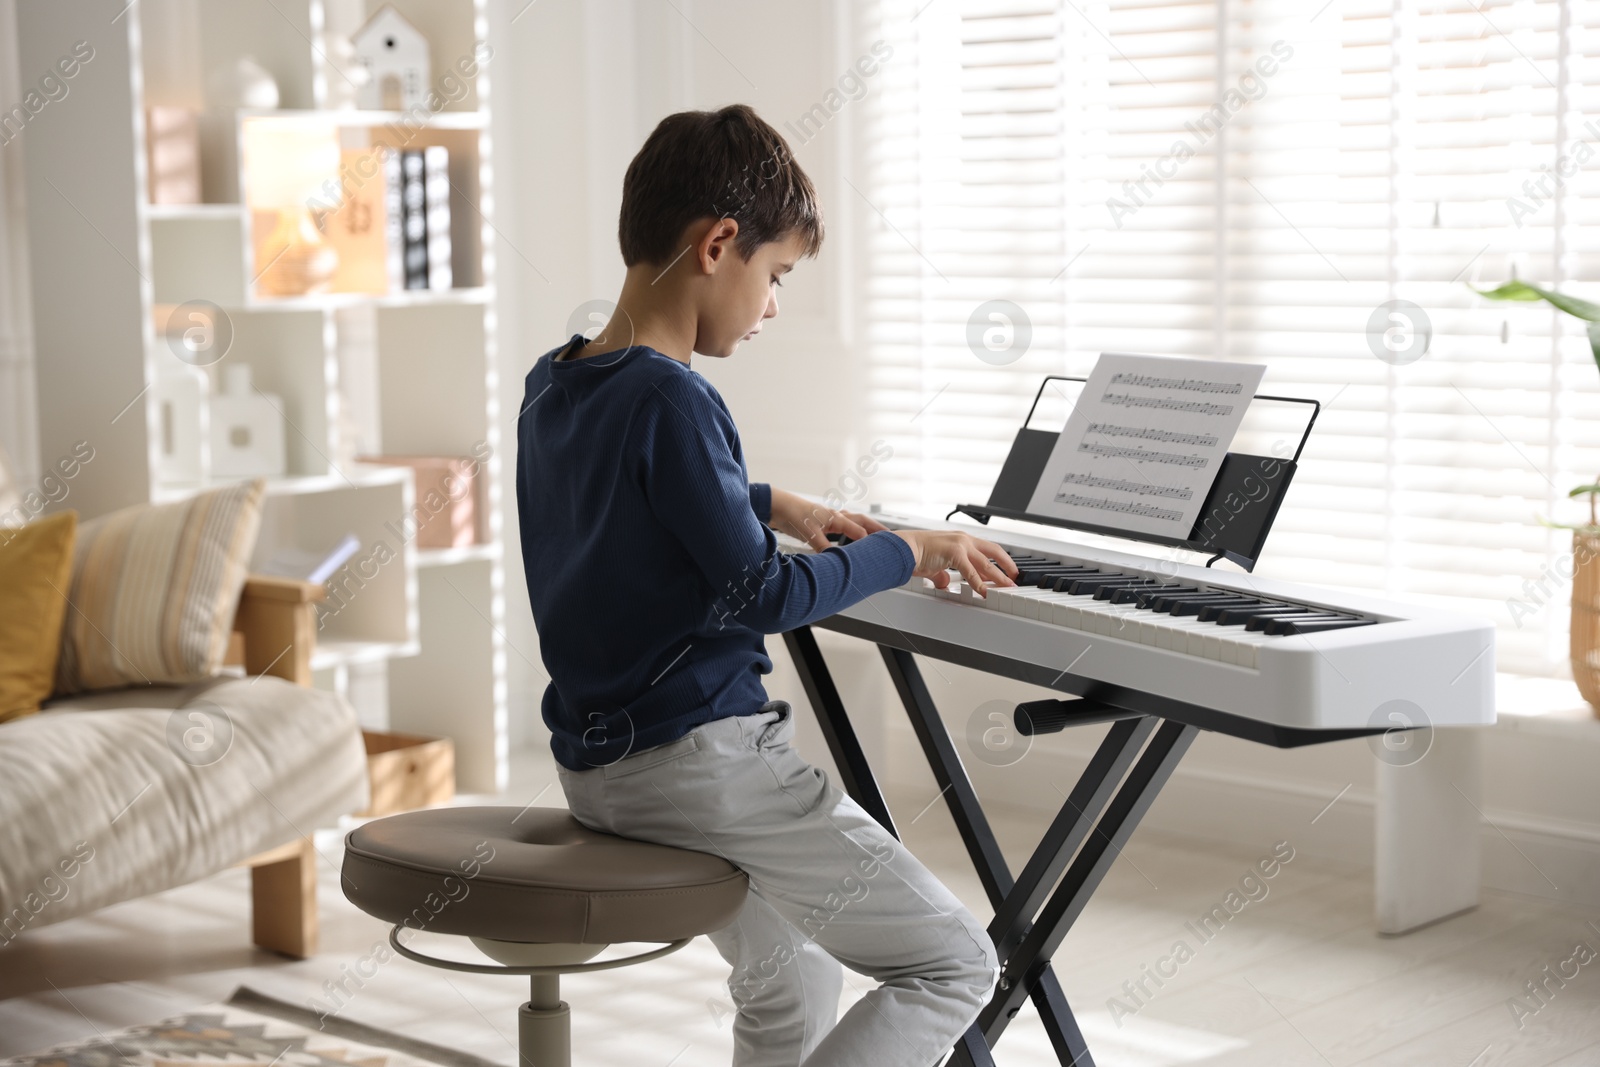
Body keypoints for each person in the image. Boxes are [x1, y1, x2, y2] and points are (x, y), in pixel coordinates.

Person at [515, 103, 1018, 1067]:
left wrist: (771, 498)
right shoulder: (677, 396)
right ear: (718, 245)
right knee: (957, 963)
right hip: (706, 768)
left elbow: (621, 504)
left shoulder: (559, 381)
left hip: (600, 774)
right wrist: (908, 548)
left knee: (791, 977)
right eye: (776, 277)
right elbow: (766, 598)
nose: (775, 306)